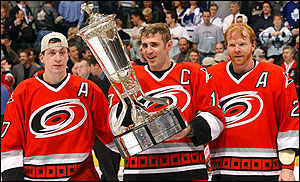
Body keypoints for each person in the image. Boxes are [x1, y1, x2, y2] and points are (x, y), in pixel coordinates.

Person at [107, 22, 225, 181]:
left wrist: (188, 130)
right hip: (141, 170)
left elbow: (215, 119)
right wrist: (127, 102)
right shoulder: (128, 79)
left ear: (169, 45)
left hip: (187, 168)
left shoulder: (194, 73)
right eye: (145, 45)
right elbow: (115, 126)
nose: (148, 51)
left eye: (154, 44)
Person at [1, 32, 115, 181]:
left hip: (80, 176)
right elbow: (10, 141)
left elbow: (109, 131)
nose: (58, 58)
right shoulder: (23, 92)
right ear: (41, 58)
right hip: (37, 177)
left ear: (68, 56)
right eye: (52, 53)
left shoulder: (88, 89)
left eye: (62, 52)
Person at [207, 23, 299, 181]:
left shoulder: (277, 75)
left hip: (266, 170)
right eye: (232, 45)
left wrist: (288, 167)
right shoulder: (211, 76)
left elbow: (289, 122)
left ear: (253, 46)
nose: (237, 49)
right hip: (223, 169)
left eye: (242, 44)